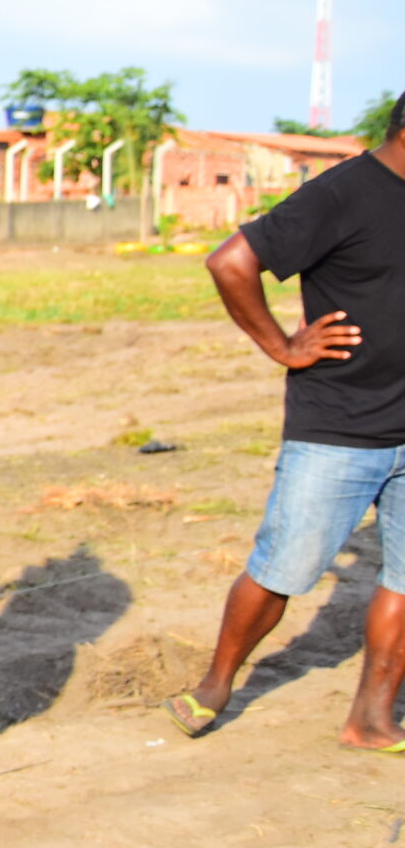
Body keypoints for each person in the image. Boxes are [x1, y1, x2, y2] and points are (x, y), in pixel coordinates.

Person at [169, 94, 405, 750]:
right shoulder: (342, 193)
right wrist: (282, 344)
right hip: (337, 425)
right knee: (282, 569)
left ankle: (371, 716)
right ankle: (217, 683)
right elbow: (230, 261)